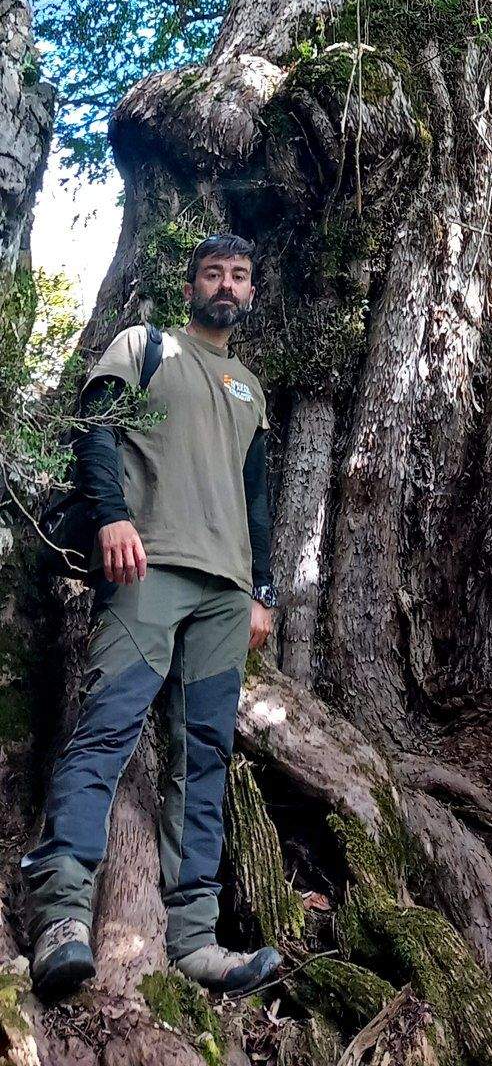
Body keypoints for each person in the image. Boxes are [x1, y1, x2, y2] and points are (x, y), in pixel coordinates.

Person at [22, 233, 283, 1002]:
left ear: (252, 293)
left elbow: (256, 499)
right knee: (106, 728)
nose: (226, 285)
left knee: (203, 756)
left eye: (239, 275)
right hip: (148, 567)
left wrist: (262, 590)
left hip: (225, 592)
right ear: (192, 284)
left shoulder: (251, 388)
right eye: (214, 273)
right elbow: (96, 429)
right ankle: (62, 915)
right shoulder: (146, 346)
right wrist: (111, 515)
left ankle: (195, 941)